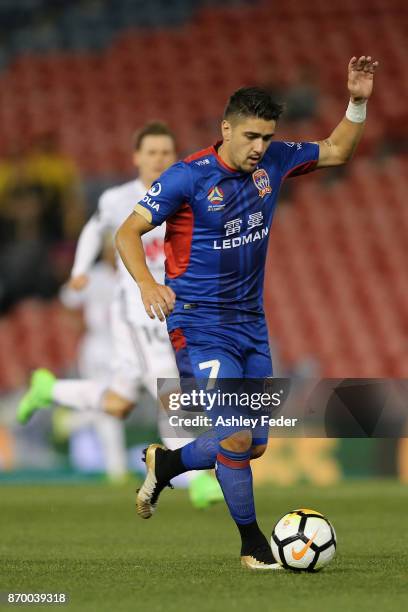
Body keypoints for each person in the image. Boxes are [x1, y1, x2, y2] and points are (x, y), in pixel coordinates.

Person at [116, 56, 379, 570]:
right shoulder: (186, 178)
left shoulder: (276, 162)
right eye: (252, 136)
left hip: (250, 325)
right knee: (234, 434)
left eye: (267, 137)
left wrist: (358, 101)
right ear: (226, 129)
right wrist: (148, 284)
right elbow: (127, 232)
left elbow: (338, 150)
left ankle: (166, 461)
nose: (260, 147)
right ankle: (252, 546)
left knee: (252, 445)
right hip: (198, 323)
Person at [17, 121, 224, 508]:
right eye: (152, 153)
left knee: (119, 403)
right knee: (172, 393)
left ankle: (50, 389)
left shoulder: (190, 196)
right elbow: (95, 231)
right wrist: (80, 270)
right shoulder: (119, 199)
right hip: (139, 313)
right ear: (137, 158)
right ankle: (197, 480)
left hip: (177, 311)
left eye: (166, 152)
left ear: (174, 157)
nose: (159, 159)